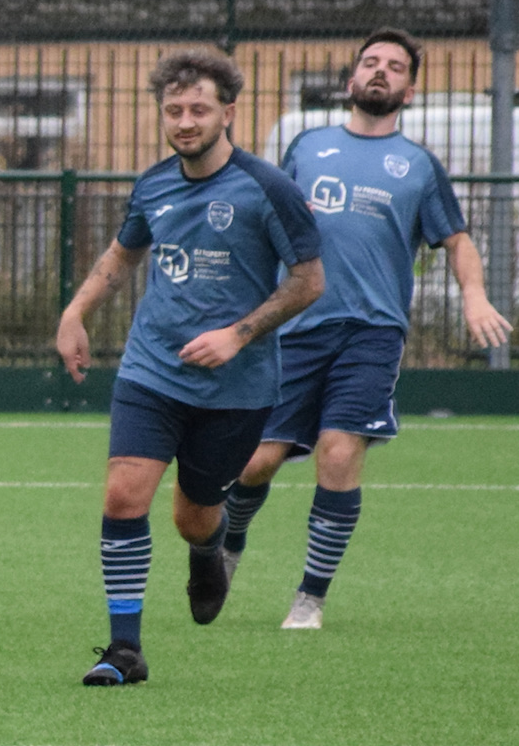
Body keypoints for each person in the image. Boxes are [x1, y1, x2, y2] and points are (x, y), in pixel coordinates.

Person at [220, 29, 512, 630]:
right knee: (254, 464)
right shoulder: (308, 146)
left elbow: (457, 240)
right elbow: (266, 223)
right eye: (371, 62)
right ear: (351, 79)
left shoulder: (419, 167)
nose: (381, 72)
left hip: (371, 334)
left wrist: (475, 296)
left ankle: (310, 598)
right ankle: (229, 545)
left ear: (410, 89)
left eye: (395, 67)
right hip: (294, 328)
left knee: (338, 452)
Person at [54, 49, 324, 686]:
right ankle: (124, 650)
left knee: (193, 515)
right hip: (152, 370)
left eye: (198, 109)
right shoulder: (153, 184)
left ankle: (209, 547)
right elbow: (123, 256)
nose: (184, 121)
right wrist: (75, 312)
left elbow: (309, 281)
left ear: (228, 112)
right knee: (123, 495)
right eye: (173, 110)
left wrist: (237, 334)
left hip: (238, 387)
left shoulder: (268, 188)